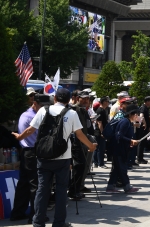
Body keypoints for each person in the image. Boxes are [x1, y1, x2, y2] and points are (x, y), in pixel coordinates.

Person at [14, 88, 97, 227]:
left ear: (56, 99)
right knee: (61, 190)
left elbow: (30, 129)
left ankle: (38, 221)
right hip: (63, 157)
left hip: (43, 156)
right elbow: (79, 134)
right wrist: (90, 146)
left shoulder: (43, 110)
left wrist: (19, 136)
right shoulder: (71, 113)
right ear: (68, 100)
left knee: (42, 189)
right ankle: (59, 222)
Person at [11, 95, 50, 224]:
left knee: (24, 184)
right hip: (33, 152)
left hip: (26, 152)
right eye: (42, 105)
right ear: (35, 103)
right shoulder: (34, 117)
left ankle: (18, 212)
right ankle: (35, 215)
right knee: (36, 185)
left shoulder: (25, 114)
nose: (44, 108)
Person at [106, 104, 140, 193]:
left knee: (117, 169)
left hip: (121, 149)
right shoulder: (125, 122)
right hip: (119, 149)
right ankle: (127, 187)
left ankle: (110, 187)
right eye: (135, 114)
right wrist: (131, 141)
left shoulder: (128, 122)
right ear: (130, 114)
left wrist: (130, 142)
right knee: (122, 168)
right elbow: (119, 136)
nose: (137, 116)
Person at [94, 96, 109, 168]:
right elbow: (99, 123)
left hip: (101, 131)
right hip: (99, 132)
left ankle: (96, 162)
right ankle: (100, 163)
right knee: (100, 148)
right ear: (103, 102)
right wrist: (102, 132)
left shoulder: (103, 110)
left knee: (98, 148)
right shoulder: (100, 110)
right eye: (107, 101)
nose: (108, 103)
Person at [137, 96, 150, 164]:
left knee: (143, 143)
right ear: (147, 101)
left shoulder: (146, 108)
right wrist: (144, 123)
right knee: (141, 143)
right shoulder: (143, 108)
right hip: (143, 128)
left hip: (145, 129)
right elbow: (141, 116)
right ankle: (139, 158)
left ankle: (141, 157)